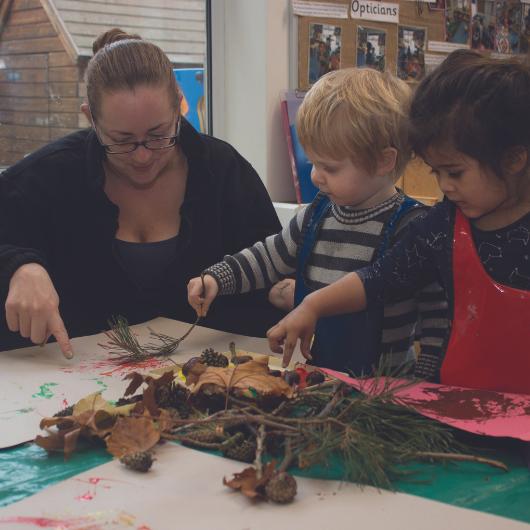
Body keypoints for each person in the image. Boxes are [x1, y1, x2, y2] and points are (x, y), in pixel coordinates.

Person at [0, 29, 284, 357]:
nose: (142, 155)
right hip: (74, 383)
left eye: (158, 133)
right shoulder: (46, 176)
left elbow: (275, 263)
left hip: (208, 379)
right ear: (90, 118)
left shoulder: (223, 171)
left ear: (180, 106)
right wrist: (19, 266)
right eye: (121, 140)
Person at [268, 50, 530, 394]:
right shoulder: (441, 227)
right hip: (457, 406)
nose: (444, 186)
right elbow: (379, 279)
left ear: (513, 159)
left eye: (455, 172)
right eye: (436, 172)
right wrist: (313, 305)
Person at [189, 67, 447, 375]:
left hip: (385, 393)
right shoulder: (317, 213)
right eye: (312, 163)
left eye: (331, 168)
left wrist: (429, 375)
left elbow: (437, 313)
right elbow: (268, 257)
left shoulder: (412, 227)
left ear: (384, 161)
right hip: (316, 376)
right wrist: (217, 278)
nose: (315, 176)